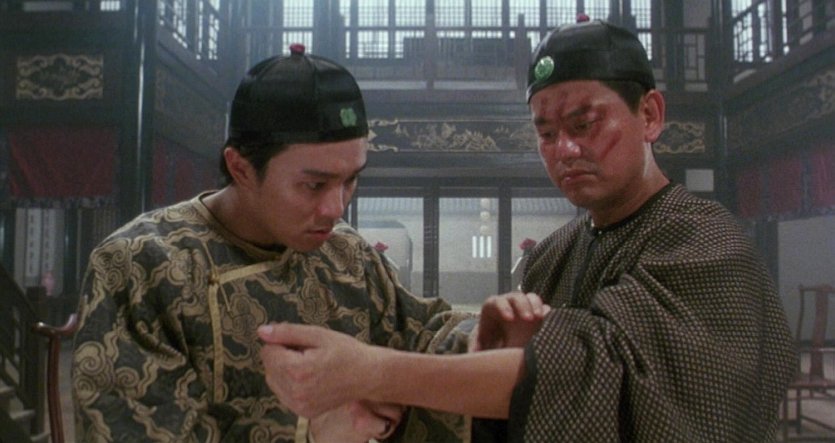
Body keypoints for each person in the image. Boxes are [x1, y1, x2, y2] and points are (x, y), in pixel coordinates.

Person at [258, 19, 797, 442]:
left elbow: (602, 380)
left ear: (650, 115)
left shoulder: (707, 243)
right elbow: (531, 404)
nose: (565, 149)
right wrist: (495, 351)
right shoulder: (554, 254)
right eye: (546, 133)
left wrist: (373, 372)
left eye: (584, 124)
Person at [71, 44, 472, 443]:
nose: (336, 209)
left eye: (350, 180)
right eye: (313, 185)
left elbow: (422, 336)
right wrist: (313, 435)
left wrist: (484, 336)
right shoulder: (141, 264)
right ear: (241, 168)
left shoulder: (346, 253)